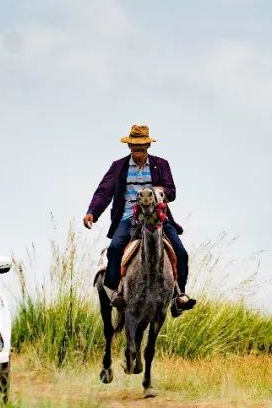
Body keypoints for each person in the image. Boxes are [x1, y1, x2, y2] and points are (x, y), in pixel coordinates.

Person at [83, 124, 195, 316]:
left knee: (181, 252)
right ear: (129, 147)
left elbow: (172, 191)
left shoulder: (161, 164)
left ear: (148, 146)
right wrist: (92, 211)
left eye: (141, 145)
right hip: (129, 217)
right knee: (115, 248)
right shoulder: (119, 166)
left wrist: (159, 191)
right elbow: (104, 191)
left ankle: (179, 297)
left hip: (159, 218)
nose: (138, 149)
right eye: (134, 145)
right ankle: (114, 293)